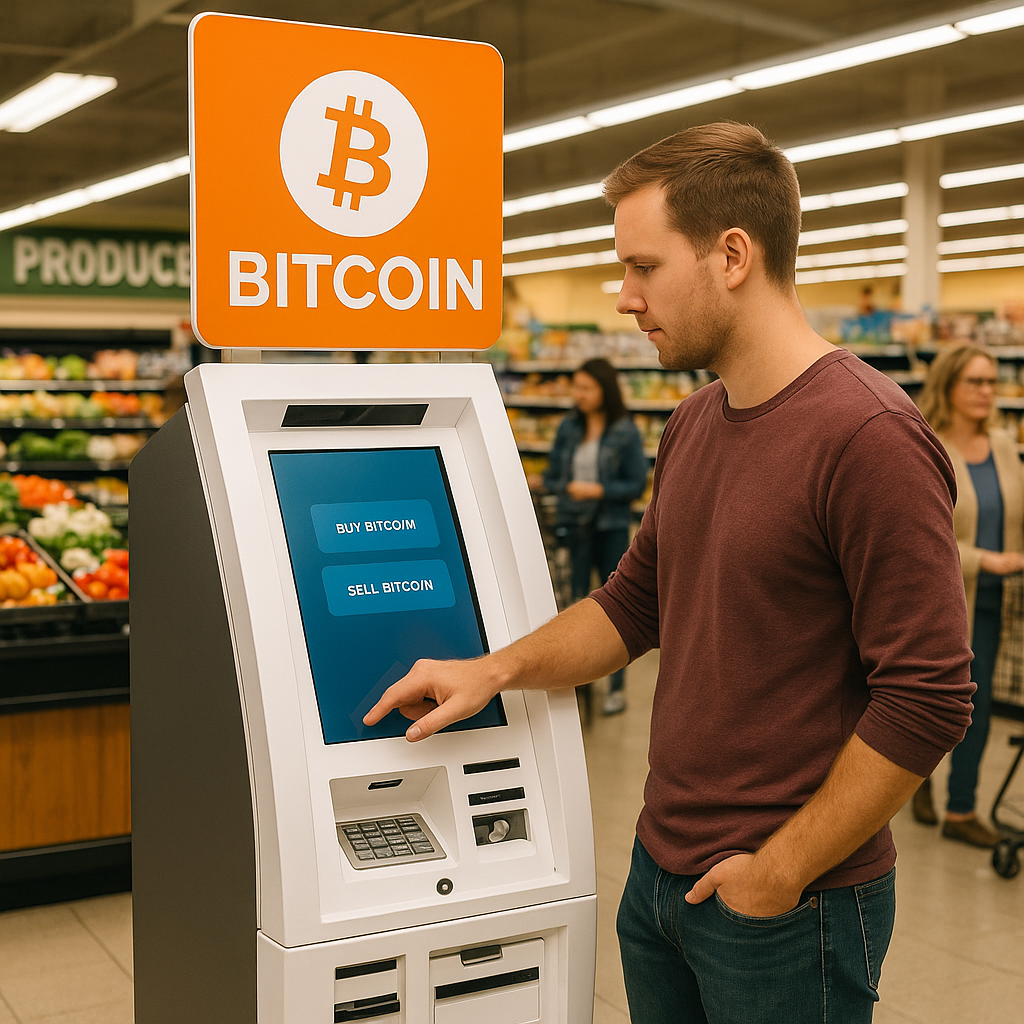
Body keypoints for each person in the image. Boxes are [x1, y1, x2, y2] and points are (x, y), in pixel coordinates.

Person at [365, 122, 974, 1023]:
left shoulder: (868, 438)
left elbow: (928, 696)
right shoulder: (692, 423)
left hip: (787, 908)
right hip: (660, 878)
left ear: (732, 255)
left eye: (643, 266)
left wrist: (778, 873)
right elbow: (633, 604)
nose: (623, 297)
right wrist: (493, 670)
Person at [914, 345, 1022, 847]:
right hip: (943, 601)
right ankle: (913, 781)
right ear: (949, 386)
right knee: (935, 706)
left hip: (998, 600)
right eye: (974, 382)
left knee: (977, 711)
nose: (985, 391)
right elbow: (919, 533)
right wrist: (985, 559)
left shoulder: (1003, 443)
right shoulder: (929, 445)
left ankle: (961, 808)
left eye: (990, 381)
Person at [542, 357, 648, 714]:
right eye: (576, 387)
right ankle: (577, 678)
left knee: (619, 607)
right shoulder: (568, 427)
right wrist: (566, 487)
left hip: (609, 526)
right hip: (574, 524)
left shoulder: (625, 431)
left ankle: (616, 688)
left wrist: (597, 490)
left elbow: (635, 484)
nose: (579, 394)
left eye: (586, 387)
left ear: (605, 390)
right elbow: (552, 475)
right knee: (576, 602)